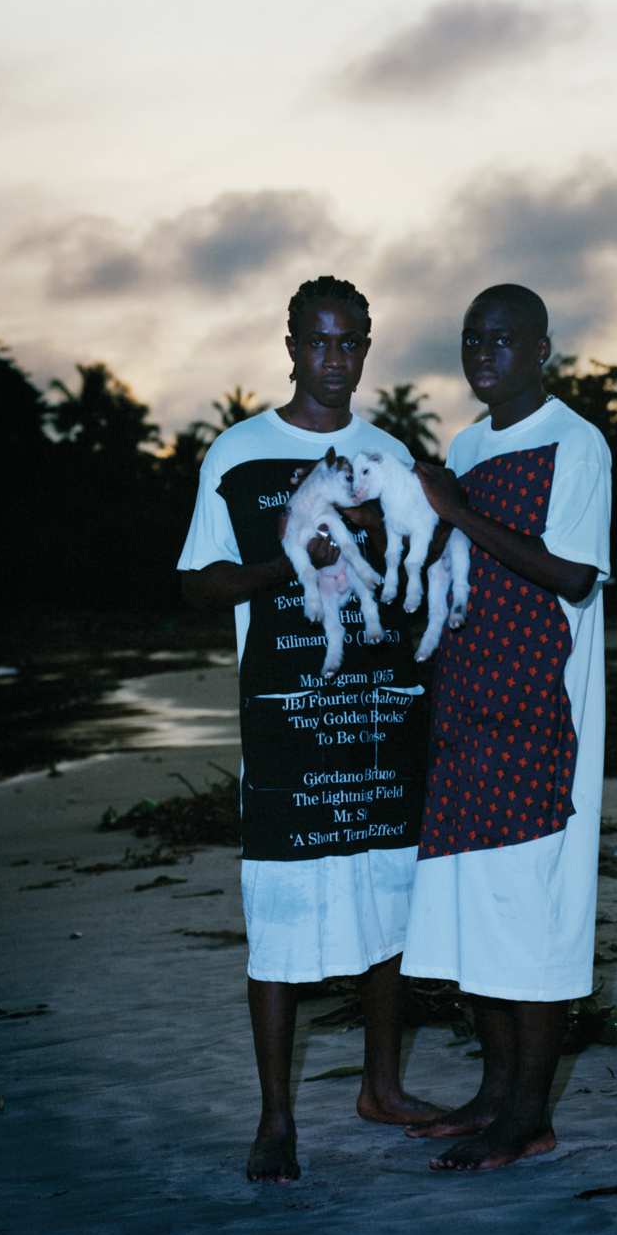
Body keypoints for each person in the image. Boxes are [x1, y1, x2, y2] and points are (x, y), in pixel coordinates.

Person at [178, 275, 442, 1184]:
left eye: (352, 343)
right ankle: (276, 1120)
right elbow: (198, 584)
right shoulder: (240, 453)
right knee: (280, 920)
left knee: (387, 904)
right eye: (320, 343)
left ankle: (382, 1087)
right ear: (290, 345)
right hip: (290, 718)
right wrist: (291, 556)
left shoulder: (392, 455)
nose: (336, 361)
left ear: (368, 348)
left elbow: (426, 565)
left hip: (380, 712)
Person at [401, 284, 612, 1170]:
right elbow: (453, 566)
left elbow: (569, 575)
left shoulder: (576, 443)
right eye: (471, 338)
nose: (482, 352)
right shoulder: (467, 446)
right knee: (477, 915)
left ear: (541, 350)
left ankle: (528, 1115)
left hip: (540, 712)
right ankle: (492, 1094)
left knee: (532, 915)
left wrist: (454, 508)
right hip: (468, 703)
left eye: (502, 339)